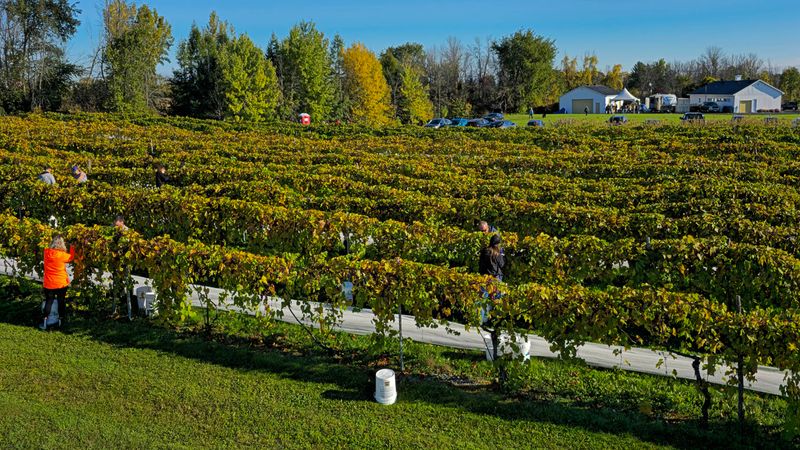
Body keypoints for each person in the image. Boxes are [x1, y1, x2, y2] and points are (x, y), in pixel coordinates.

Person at [41, 235, 75, 330]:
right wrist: (72, 247)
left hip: (48, 283)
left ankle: (45, 320)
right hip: (61, 283)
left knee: (49, 301)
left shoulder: (46, 252)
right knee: (61, 301)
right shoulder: (63, 255)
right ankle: (60, 320)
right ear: (62, 244)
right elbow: (71, 257)